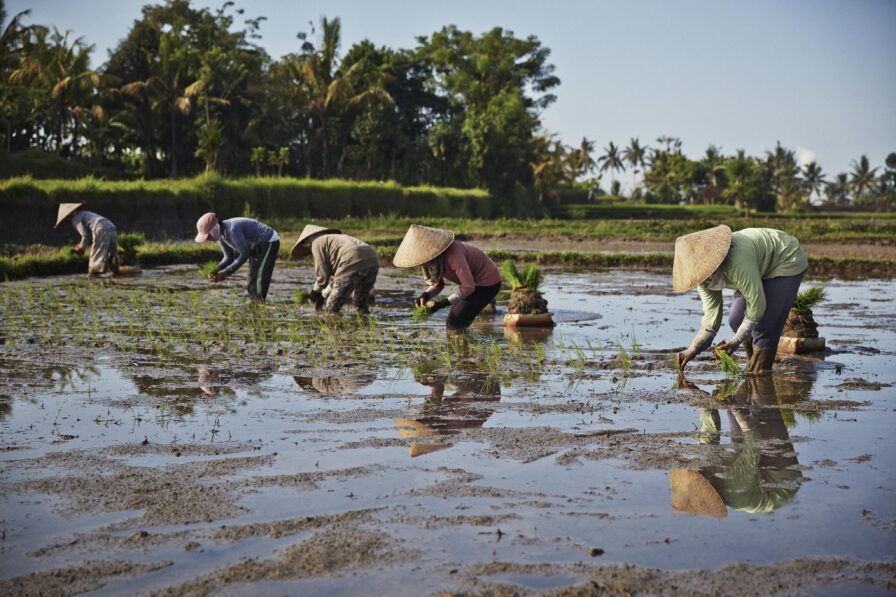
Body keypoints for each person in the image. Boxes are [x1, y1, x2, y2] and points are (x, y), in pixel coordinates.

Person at [674, 225, 808, 373]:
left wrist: (735, 342)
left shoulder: (736, 261)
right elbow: (710, 321)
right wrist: (692, 350)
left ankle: (760, 374)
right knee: (736, 320)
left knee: (764, 326)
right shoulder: (703, 279)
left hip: (785, 258)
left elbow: (757, 305)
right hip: (756, 265)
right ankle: (753, 362)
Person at [393, 224, 502, 331]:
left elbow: (468, 288)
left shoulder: (454, 256)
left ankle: (464, 345)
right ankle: (464, 344)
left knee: (455, 322)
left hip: (487, 284)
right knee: (454, 322)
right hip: (472, 284)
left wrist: (440, 304)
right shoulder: (435, 261)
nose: (421, 264)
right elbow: (439, 285)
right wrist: (426, 295)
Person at [290, 224, 379, 314]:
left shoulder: (316, 243)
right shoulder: (332, 241)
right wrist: (323, 295)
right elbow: (337, 280)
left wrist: (315, 292)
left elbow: (323, 276)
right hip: (372, 258)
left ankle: (332, 326)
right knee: (360, 302)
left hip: (352, 259)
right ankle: (365, 323)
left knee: (331, 308)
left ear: (306, 242)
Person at [195, 212, 280, 302]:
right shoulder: (222, 237)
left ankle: (258, 304)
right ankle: (255, 304)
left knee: (259, 277)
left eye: (208, 236)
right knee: (251, 280)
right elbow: (229, 257)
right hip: (254, 247)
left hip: (268, 241)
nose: (208, 239)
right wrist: (215, 270)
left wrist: (225, 273)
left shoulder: (232, 230)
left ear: (215, 228)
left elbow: (245, 254)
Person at [54, 203, 120, 276]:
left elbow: (85, 236)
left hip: (100, 229)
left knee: (95, 263)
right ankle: (116, 273)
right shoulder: (84, 213)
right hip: (111, 227)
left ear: (67, 217)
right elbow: (89, 235)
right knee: (112, 254)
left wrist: (81, 248)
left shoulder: (75, 219)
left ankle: (94, 279)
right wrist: (83, 245)